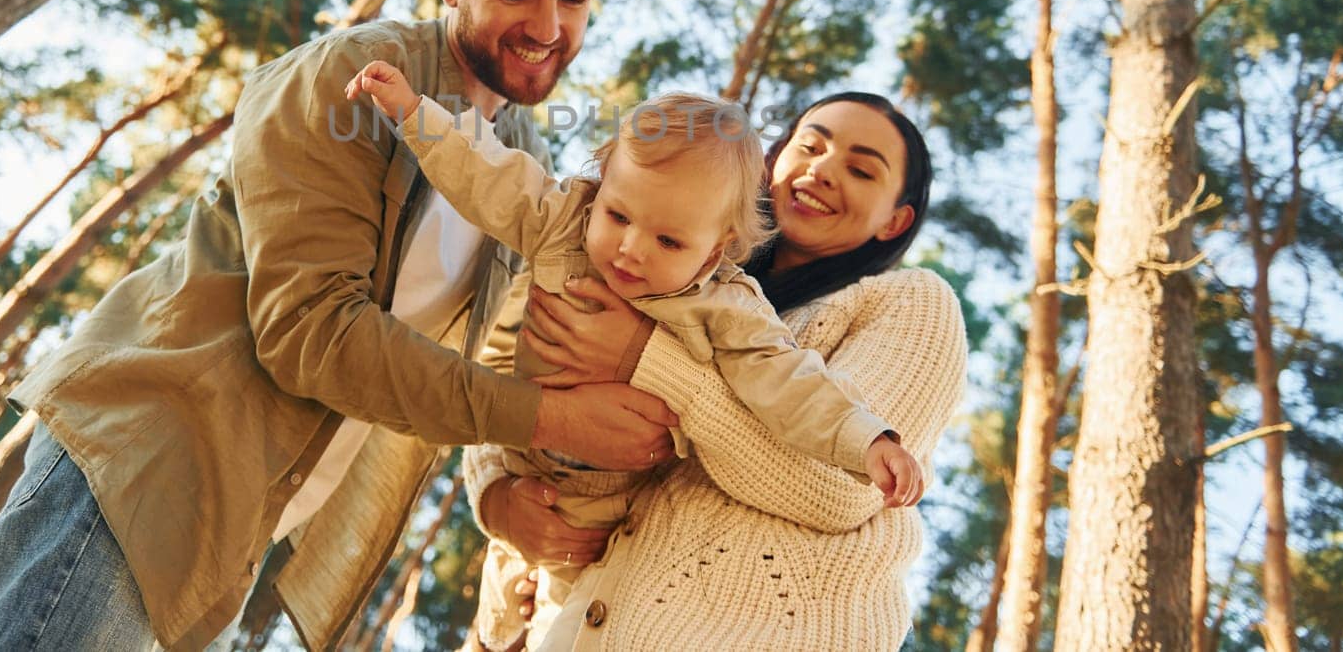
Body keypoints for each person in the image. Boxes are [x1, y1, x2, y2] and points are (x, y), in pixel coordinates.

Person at [0, 0, 679, 652]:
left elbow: (493, 359)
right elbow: (311, 331)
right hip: (144, 471)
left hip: (244, 534)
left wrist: (500, 495)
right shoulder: (350, 76)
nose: (548, 27)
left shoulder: (522, 161)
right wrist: (556, 416)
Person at [345, 70, 926, 651]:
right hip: (524, 446)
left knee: (560, 602)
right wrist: (416, 115)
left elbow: (793, 386)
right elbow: (487, 175)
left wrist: (866, 437)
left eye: (860, 167)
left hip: (612, 503)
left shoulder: (728, 305)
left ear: (715, 251)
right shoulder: (566, 222)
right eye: (811, 144)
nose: (630, 248)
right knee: (521, 564)